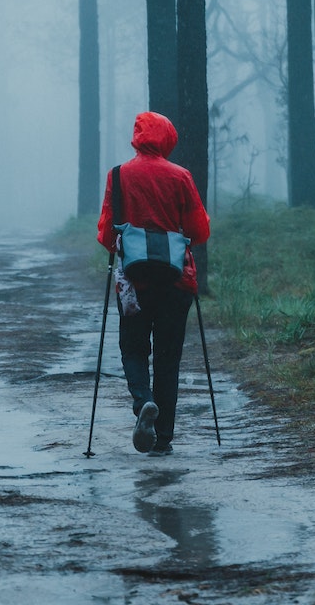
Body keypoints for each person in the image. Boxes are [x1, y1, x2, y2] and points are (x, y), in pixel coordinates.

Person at [96, 111, 210, 455]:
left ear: (137, 137)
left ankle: (142, 402)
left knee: (133, 348)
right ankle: (162, 439)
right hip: (177, 282)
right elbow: (200, 231)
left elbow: (105, 233)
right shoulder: (181, 177)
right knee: (167, 357)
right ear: (168, 139)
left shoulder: (118, 175)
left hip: (135, 282)